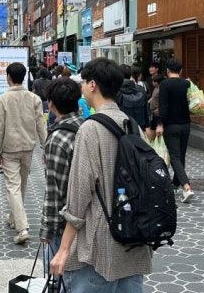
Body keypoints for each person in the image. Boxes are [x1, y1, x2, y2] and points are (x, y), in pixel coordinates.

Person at [49, 58, 151, 291]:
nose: (82, 87)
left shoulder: (90, 128)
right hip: (135, 236)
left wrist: (63, 250)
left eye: (84, 81)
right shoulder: (131, 124)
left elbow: (78, 197)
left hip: (100, 245)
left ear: (93, 85)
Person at [0, 62, 47, 245]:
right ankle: (14, 217)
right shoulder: (34, 98)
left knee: (13, 187)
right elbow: (41, 124)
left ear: (8, 77)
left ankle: (22, 228)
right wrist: (45, 147)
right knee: (21, 185)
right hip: (28, 147)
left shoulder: (2, 100)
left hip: (9, 148)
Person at [41, 78, 83, 263]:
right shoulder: (87, 125)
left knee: (57, 278)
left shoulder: (58, 138)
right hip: (89, 216)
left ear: (51, 104)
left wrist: (47, 229)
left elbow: (54, 190)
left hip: (65, 222)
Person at [155, 59, 195, 203]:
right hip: (186, 125)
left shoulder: (165, 84)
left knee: (175, 157)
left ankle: (187, 187)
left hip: (171, 126)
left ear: (167, 70)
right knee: (181, 155)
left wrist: (160, 124)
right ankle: (176, 183)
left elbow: (163, 106)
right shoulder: (186, 83)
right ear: (181, 71)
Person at [116, 64, 150, 129]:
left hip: (122, 128)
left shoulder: (116, 91)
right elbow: (146, 111)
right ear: (130, 75)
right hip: (138, 128)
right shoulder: (141, 89)